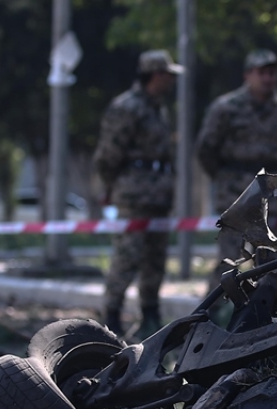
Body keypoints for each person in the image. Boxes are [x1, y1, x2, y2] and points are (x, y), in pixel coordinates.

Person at [196, 49, 277, 288]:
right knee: (228, 260)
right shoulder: (226, 108)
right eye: (261, 73)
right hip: (236, 194)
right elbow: (206, 149)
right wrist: (225, 179)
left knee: (271, 261)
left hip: (271, 197)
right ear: (248, 75)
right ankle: (214, 313)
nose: (267, 78)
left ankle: (264, 314)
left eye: (272, 73)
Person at [93, 49, 182, 336]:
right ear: (155, 75)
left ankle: (150, 315)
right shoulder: (126, 107)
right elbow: (108, 155)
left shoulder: (158, 108)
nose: (171, 81)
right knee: (127, 257)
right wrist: (110, 188)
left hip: (159, 196)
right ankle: (112, 315)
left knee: (155, 259)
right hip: (134, 197)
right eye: (168, 75)